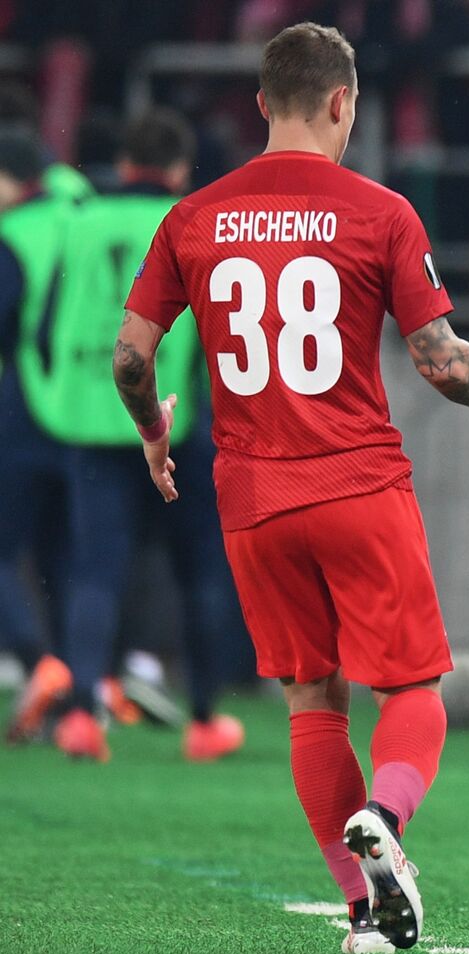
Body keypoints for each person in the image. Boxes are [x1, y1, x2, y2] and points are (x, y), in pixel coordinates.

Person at [114, 22, 469, 954]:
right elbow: (436, 359)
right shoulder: (380, 211)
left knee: (312, 702)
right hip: (356, 482)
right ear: (343, 103)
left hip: (250, 497)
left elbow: (129, 359)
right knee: (413, 685)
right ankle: (386, 819)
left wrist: (156, 435)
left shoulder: (194, 214)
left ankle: (364, 913)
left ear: (263, 104)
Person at [38, 109, 250, 762]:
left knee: (93, 572)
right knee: (200, 575)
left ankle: (79, 718)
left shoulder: (77, 222)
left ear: (125, 164)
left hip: (91, 420)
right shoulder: (197, 224)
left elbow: (46, 320)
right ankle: (206, 721)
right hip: (178, 423)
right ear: (182, 170)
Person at [0, 126, 77, 746]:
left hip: (22, 406)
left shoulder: (14, 235)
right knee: (65, 559)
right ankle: (78, 700)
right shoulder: (78, 218)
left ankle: (37, 659)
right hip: (83, 413)